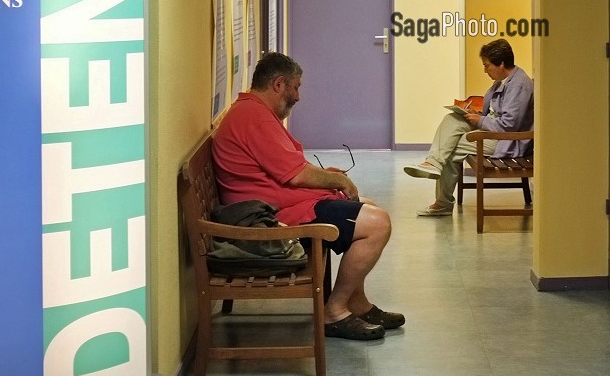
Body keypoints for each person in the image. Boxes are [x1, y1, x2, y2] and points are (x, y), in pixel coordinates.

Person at [212, 52, 403, 341]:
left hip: (278, 205)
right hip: (271, 220)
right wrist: (336, 179)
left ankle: (357, 303)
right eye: (295, 87)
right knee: (377, 223)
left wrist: (325, 175)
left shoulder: (252, 111)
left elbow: (287, 166)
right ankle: (334, 312)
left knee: (368, 209)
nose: (298, 96)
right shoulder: (255, 118)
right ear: (278, 84)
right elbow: (295, 175)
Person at [403, 38, 534, 217]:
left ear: (501, 63)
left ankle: (443, 202)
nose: (485, 70)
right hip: (493, 132)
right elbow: (496, 113)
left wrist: (479, 120)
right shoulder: (504, 80)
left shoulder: (519, 84)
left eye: (487, 65)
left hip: (506, 141)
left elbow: (508, 126)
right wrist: (476, 114)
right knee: (452, 119)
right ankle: (433, 163)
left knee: (452, 147)